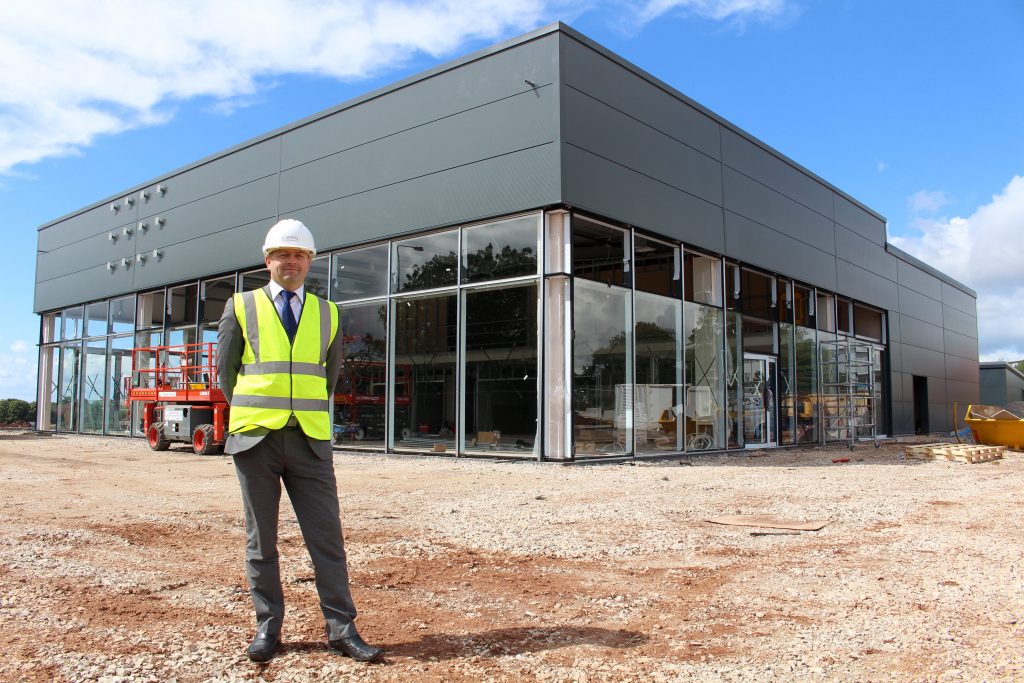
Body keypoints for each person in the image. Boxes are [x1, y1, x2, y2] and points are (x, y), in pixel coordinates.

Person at [218, 218, 382, 664]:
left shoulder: (328, 313)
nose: (291, 262)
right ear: (267, 260)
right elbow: (225, 374)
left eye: (300, 255)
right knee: (261, 541)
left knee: (327, 540)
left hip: (310, 442)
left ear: (310, 262)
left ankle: (341, 630)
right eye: (283, 255)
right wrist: (254, 416)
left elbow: (327, 380)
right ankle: (268, 628)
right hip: (256, 440)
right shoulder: (240, 306)